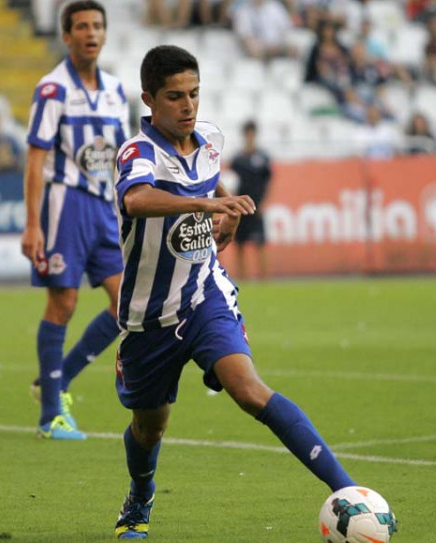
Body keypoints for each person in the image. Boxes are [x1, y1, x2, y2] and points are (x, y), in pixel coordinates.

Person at [111, 44, 356, 540]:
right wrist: (201, 203)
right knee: (148, 426)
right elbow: (136, 201)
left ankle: (350, 495)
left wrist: (226, 213)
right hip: (149, 317)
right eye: (175, 96)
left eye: (195, 94)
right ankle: (140, 494)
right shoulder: (136, 153)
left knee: (248, 390)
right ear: (149, 101)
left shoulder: (210, 140)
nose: (188, 105)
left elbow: (216, 189)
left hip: (205, 295)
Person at [21, 0, 129, 440]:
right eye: (81, 26)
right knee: (62, 304)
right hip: (66, 205)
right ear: (66, 36)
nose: (90, 33)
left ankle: (58, 380)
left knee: (127, 305)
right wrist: (33, 224)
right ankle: (51, 415)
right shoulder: (52, 89)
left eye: (97, 26)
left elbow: (124, 156)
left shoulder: (117, 91)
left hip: (104, 208)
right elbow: (35, 158)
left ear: (104, 33)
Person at [231, 120, 272, 280]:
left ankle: (264, 278)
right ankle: (243, 278)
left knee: (259, 243)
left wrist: (265, 203)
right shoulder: (238, 159)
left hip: (257, 206)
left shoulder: (263, 157)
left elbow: (268, 182)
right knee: (240, 243)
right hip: (242, 205)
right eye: (247, 133)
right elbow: (232, 181)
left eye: (252, 133)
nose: (249, 136)